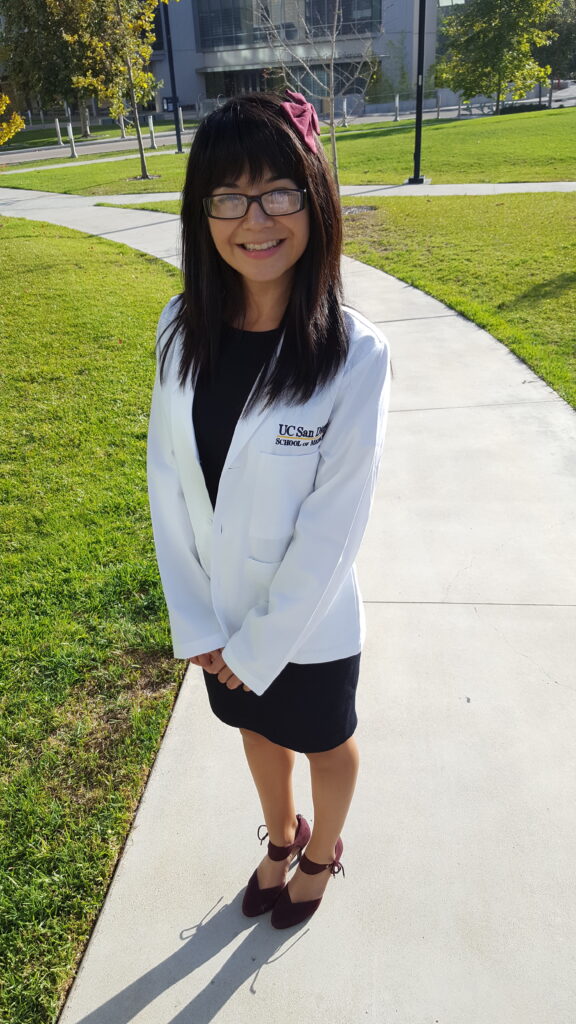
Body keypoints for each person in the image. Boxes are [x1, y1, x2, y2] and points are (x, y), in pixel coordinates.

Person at [146, 90, 391, 929]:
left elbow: (337, 524)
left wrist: (259, 643)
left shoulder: (354, 356)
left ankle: (323, 851)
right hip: (219, 616)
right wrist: (201, 622)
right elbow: (169, 483)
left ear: (315, 197)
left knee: (324, 739)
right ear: (202, 212)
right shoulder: (180, 328)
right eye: (229, 196)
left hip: (310, 621)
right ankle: (281, 839)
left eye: (279, 190)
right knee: (255, 732)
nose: (256, 218)